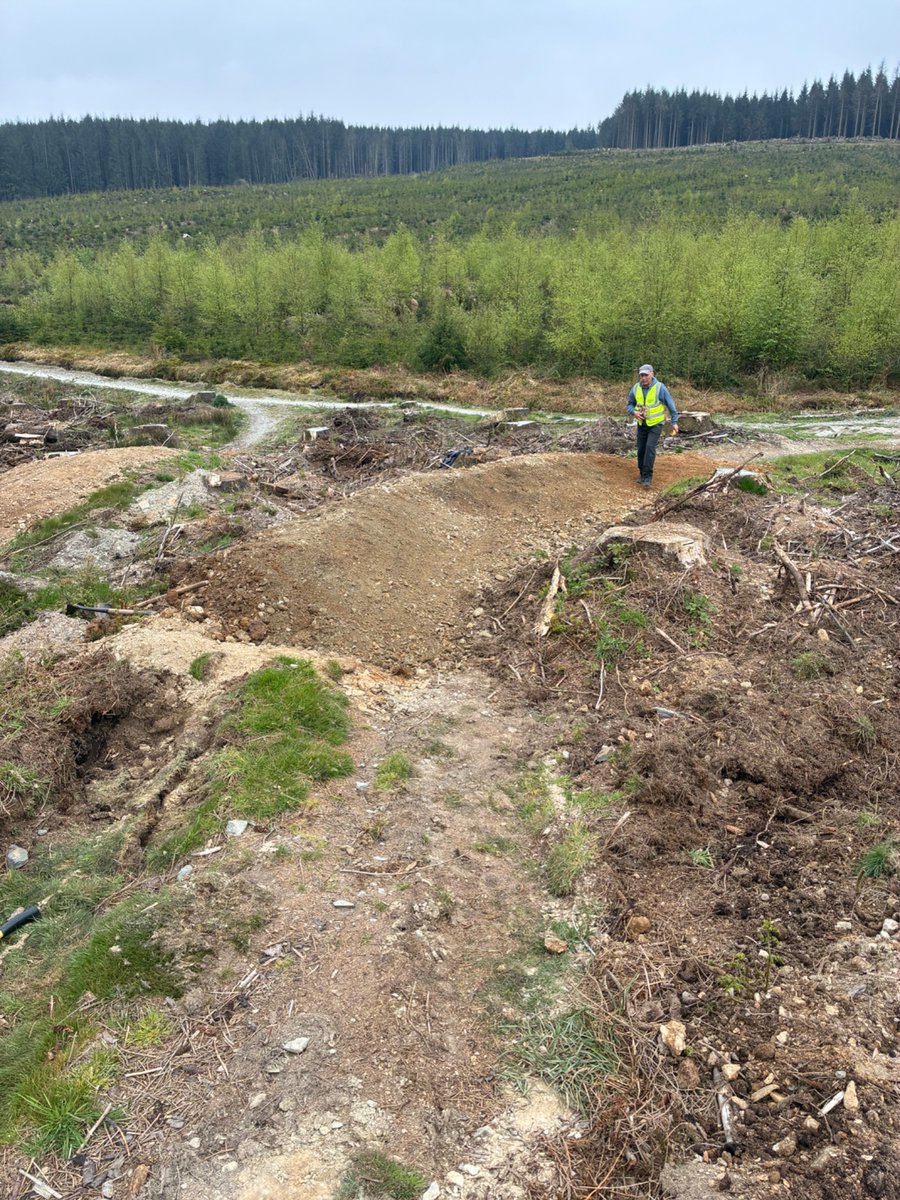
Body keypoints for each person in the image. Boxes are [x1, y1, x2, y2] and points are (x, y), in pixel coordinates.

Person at [627, 364, 679, 489]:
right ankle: (641, 473)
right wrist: (634, 412)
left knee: (650, 448)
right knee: (641, 449)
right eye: (641, 375)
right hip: (642, 424)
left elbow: (670, 405)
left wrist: (674, 422)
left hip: (656, 424)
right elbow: (629, 405)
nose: (643, 378)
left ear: (652, 374)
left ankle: (647, 477)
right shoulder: (635, 388)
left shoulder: (660, 388)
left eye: (646, 375)